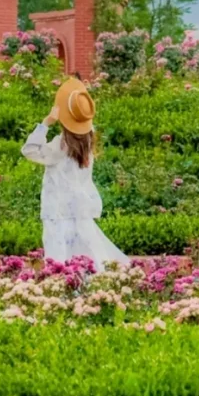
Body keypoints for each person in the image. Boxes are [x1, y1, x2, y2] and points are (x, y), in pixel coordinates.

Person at [21, 76, 127, 268]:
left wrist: (46, 123)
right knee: (88, 257)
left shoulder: (60, 146)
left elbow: (29, 150)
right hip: (80, 210)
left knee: (59, 260)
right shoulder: (87, 145)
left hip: (57, 211)